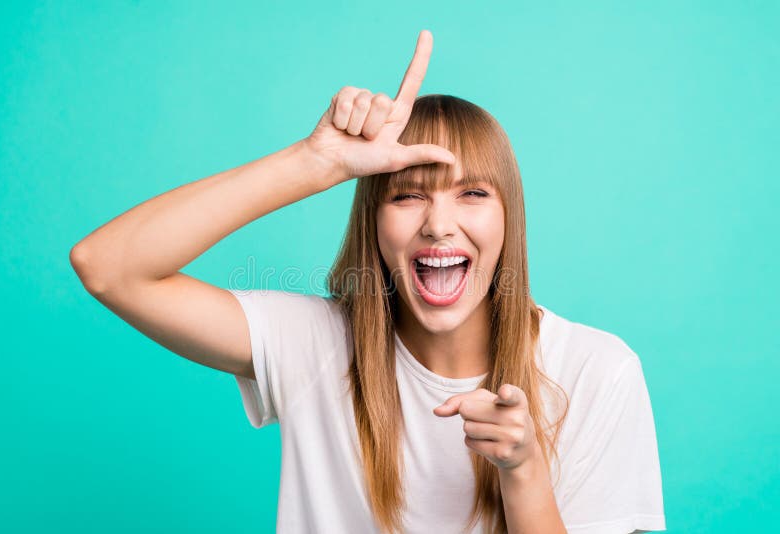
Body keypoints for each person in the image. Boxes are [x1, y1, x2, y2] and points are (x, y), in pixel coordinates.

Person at [70, 30, 665, 534]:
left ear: (510, 218)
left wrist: (525, 469)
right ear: (372, 224)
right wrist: (314, 162)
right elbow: (108, 266)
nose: (438, 225)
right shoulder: (312, 344)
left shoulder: (595, 371)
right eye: (407, 195)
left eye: (473, 194)